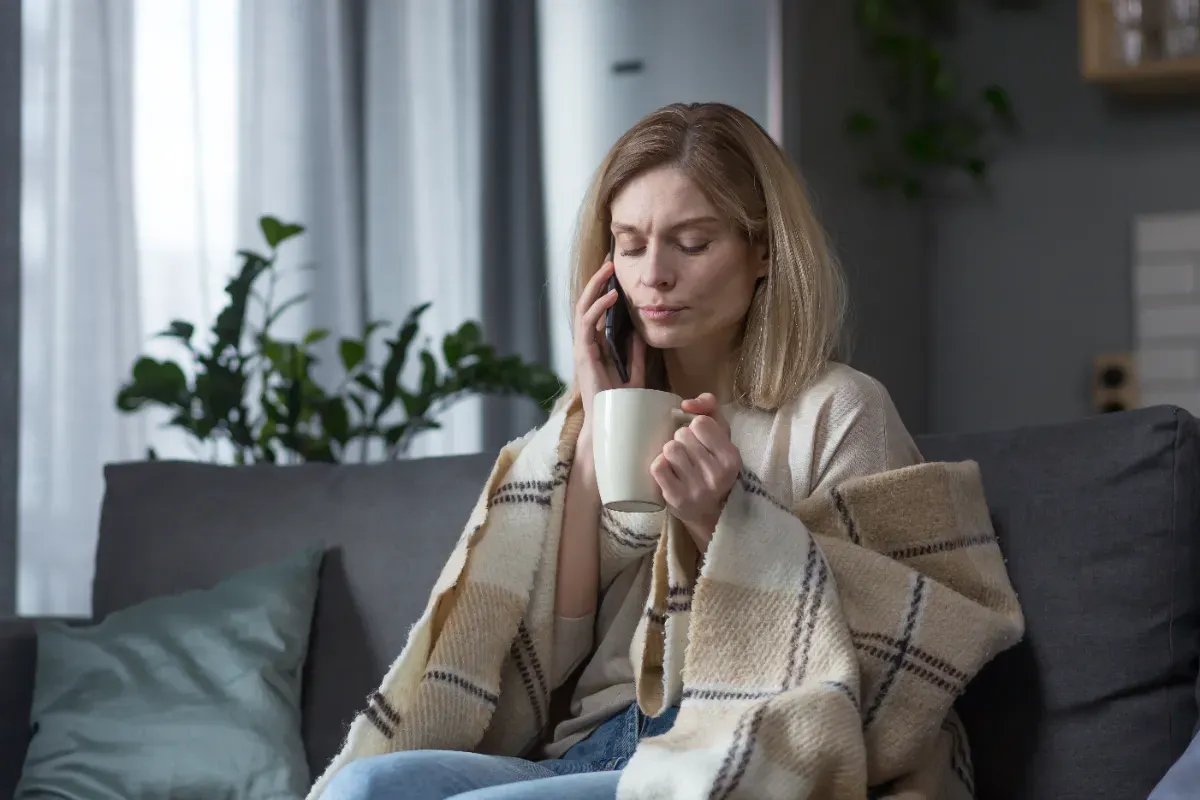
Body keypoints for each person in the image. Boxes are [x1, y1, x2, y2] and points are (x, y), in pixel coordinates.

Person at [318, 101, 924, 799]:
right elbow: (561, 642)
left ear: (763, 251)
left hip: (725, 749)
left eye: (692, 243)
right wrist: (593, 425)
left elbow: (878, 659)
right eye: (630, 244)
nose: (654, 275)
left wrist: (724, 523)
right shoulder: (599, 424)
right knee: (364, 789)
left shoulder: (838, 411)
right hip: (593, 744)